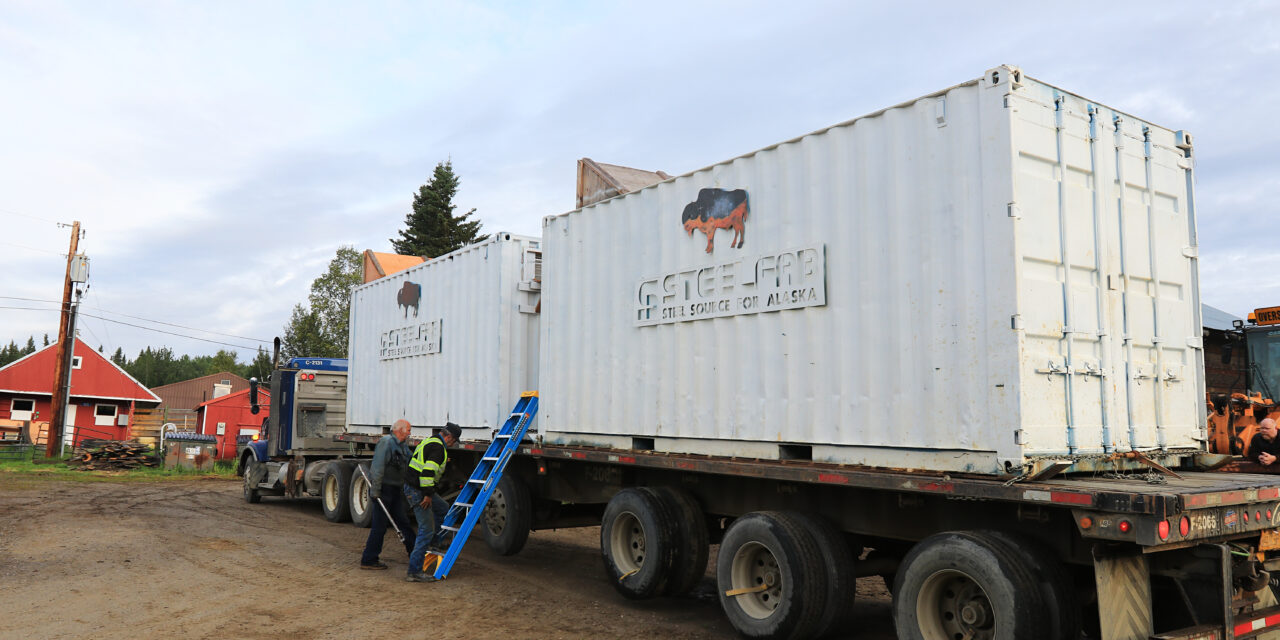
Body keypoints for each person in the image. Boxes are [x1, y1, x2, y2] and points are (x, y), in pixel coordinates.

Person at [405, 421, 461, 582]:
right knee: (426, 529)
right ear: (449, 436)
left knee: (443, 507)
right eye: (455, 440)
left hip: (416, 487)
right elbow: (427, 474)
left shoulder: (431, 441)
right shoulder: (438, 448)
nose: (454, 443)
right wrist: (428, 496)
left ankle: (434, 543)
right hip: (419, 490)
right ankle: (414, 571)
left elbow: (426, 462)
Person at [359, 419, 416, 570]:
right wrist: (376, 491)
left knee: (403, 522)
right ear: (400, 430)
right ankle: (369, 559)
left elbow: (412, 460)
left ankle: (415, 554)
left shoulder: (402, 445)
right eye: (408, 430)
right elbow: (377, 467)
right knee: (380, 526)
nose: (410, 433)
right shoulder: (386, 443)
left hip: (396, 490)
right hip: (384, 490)